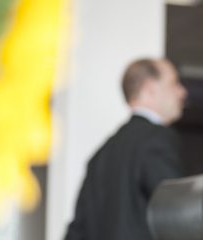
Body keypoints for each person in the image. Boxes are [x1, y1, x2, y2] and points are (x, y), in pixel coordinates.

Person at [66, 58, 188, 240]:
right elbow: (180, 214)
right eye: (174, 83)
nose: (182, 92)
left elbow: (77, 232)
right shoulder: (156, 139)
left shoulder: (100, 156)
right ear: (150, 89)